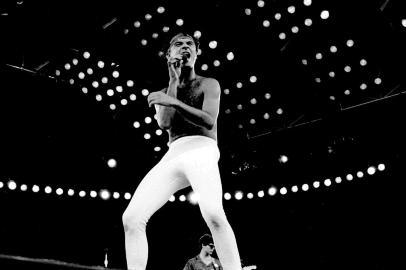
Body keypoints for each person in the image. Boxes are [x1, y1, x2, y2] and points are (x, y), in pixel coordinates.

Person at [122, 32, 242, 270]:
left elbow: (208, 121)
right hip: (174, 152)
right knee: (131, 218)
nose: (185, 47)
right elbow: (165, 124)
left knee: (214, 214)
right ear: (169, 55)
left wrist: (174, 102)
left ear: (197, 53)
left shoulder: (209, 83)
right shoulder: (163, 93)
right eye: (179, 44)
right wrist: (173, 82)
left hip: (202, 148)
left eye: (190, 44)